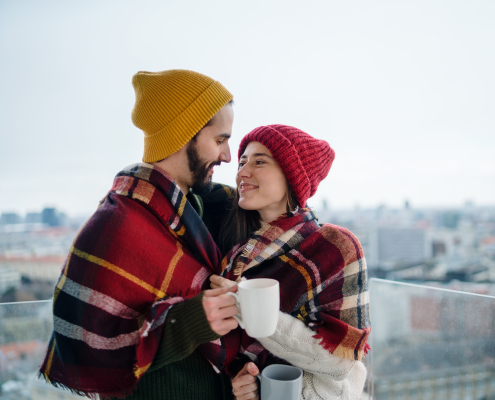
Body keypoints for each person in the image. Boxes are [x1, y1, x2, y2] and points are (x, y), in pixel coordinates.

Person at [39, 69, 241, 400]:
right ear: (184, 134)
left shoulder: (194, 210)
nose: (227, 156)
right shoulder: (119, 224)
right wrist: (188, 322)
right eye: (220, 140)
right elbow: (97, 347)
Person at [206, 125, 371, 400]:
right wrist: (246, 379)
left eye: (260, 162)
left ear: (291, 175)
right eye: (243, 162)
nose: (242, 172)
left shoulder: (335, 247)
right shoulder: (235, 250)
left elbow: (339, 362)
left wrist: (247, 306)